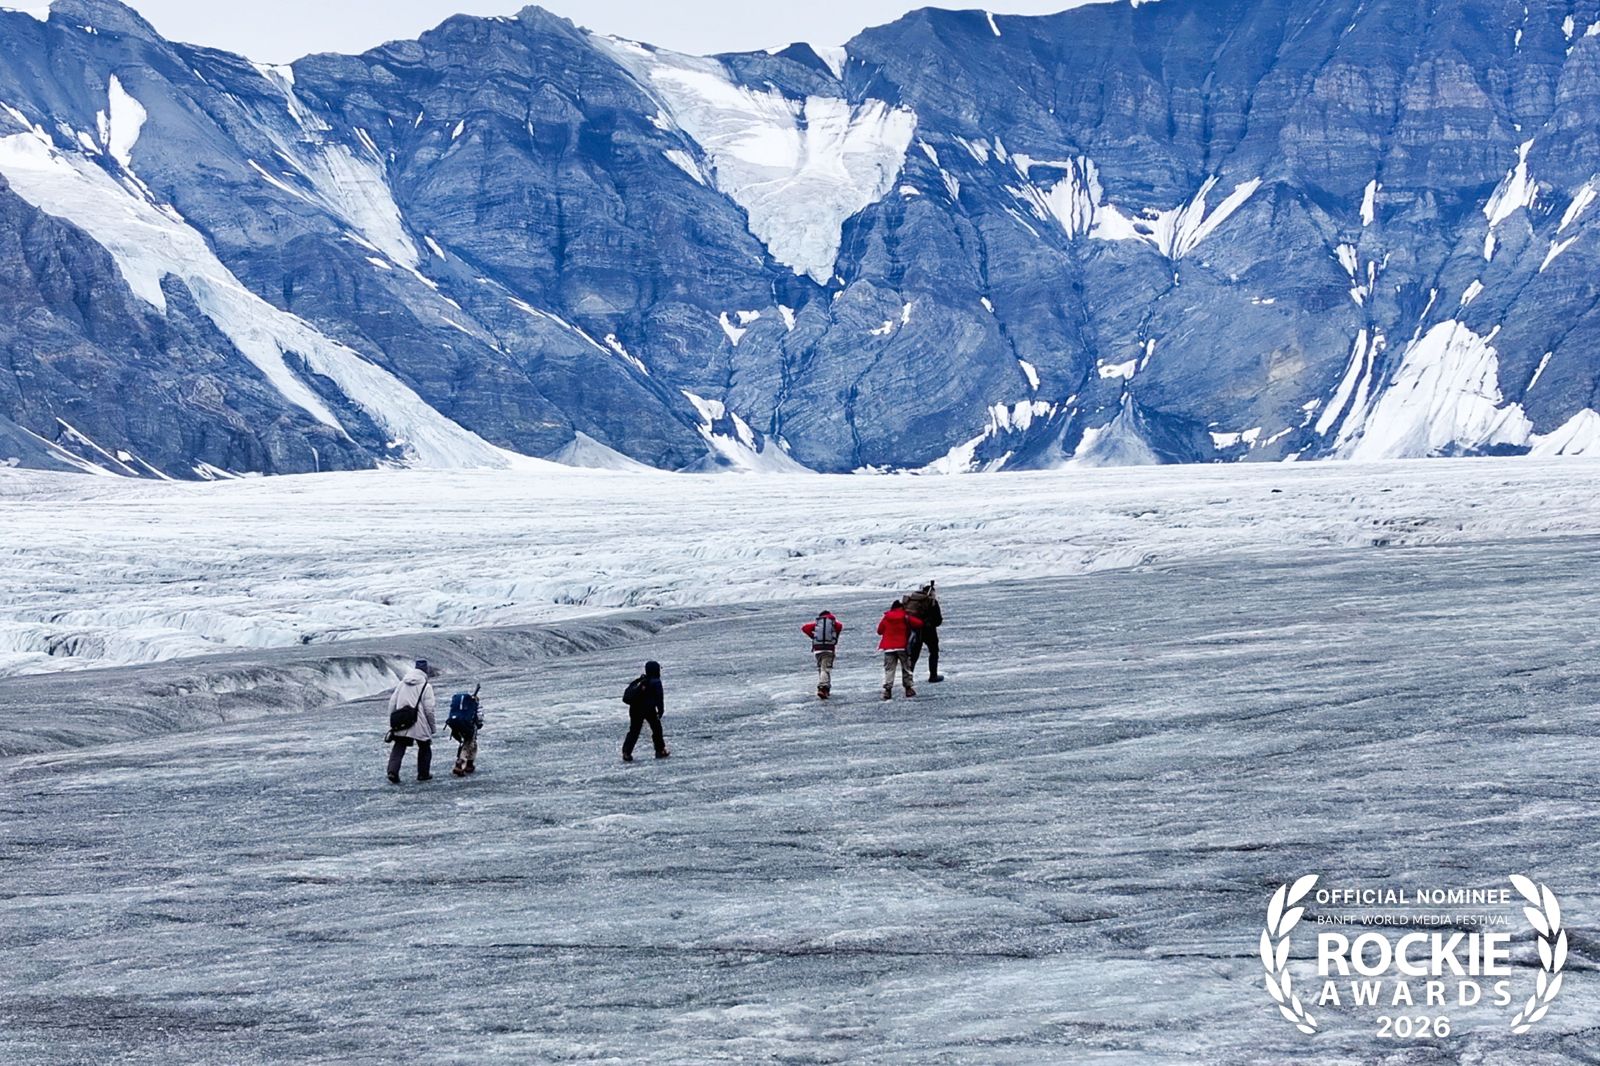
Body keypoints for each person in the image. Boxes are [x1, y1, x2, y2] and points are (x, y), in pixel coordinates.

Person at [386, 659, 438, 784]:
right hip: (419, 721)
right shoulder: (426, 686)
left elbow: (392, 702)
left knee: (399, 745)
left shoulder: (402, 683)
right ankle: (423, 774)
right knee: (424, 746)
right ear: (425, 670)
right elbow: (429, 709)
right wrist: (432, 727)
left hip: (402, 719)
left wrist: (393, 720)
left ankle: (392, 771)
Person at [622, 660, 670, 762]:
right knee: (656, 729)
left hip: (634, 709)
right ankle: (660, 750)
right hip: (648, 709)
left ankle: (626, 752)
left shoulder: (641, 680)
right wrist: (660, 710)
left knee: (634, 731)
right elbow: (659, 697)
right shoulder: (656, 681)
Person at [876, 600, 922, 701]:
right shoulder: (905, 616)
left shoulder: (886, 617)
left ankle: (887, 690)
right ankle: (908, 689)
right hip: (902, 646)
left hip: (888, 648)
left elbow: (879, 631)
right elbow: (919, 623)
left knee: (889, 669)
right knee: (906, 668)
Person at [903, 581, 945, 683]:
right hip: (929, 631)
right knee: (933, 652)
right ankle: (933, 675)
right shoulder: (931, 601)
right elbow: (938, 620)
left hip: (915, 630)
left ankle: (908, 678)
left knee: (914, 655)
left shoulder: (913, 600)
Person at [801, 610, 844, 699]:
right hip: (828, 648)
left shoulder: (817, 624)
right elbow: (840, 626)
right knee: (826, 668)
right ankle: (823, 687)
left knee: (821, 668)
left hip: (817, 649)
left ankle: (825, 689)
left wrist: (814, 637)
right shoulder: (834, 623)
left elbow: (804, 628)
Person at [446, 685, 483, 777]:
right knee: (469, 743)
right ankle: (460, 762)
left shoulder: (459, 706)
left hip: (454, 723)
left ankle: (469, 764)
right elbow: (479, 717)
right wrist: (478, 725)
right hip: (467, 724)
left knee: (471, 743)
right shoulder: (474, 705)